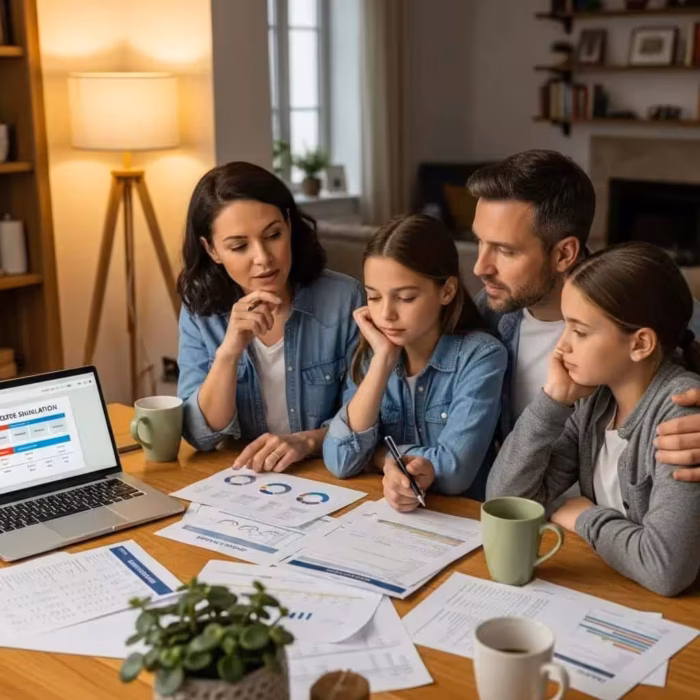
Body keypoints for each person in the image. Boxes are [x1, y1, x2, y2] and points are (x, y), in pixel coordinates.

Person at [467, 149, 700, 483]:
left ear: (564, 253)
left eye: (506, 251)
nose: (480, 268)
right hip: (523, 510)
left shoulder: (644, 301)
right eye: (479, 242)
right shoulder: (486, 313)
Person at [486, 243, 700, 596]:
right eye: (565, 326)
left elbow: (666, 570)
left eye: (580, 332)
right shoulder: (595, 400)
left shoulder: (680, 411)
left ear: (640, 344)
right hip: (612, 591)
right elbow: (507, 500)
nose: (561, 347)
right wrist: (552, 401)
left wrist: (584, 517)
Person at [176, 161, 363, 472]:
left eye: (273, 235)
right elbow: (200, 435)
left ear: (289, 224)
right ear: (211, 251)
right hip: (243, 481)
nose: (263, 259)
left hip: (328, 476)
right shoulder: (200, 310)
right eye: (239, 246)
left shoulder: (344, 299)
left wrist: (307, 442)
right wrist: (229, 351)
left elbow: (368, 420)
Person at [323, 214, 507, 510]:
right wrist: (382, 360)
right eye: (374, 297)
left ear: (447, 291)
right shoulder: (372, 352)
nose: (385, 315)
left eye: (405, 298)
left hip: (461, 521)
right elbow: (341, 460)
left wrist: (378, 456)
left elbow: (455, 471)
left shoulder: (482, 355)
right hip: (385, 518)